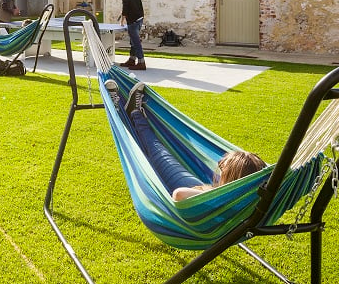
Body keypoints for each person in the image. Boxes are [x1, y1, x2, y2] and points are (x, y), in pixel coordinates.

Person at [104, 80, 265, 201]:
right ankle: (132, 113)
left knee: (151, 155)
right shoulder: (252, 197)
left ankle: (123, 115)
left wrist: (209, 193)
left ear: (234, 179)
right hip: (200, 187)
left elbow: (179, 194)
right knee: (157, 151)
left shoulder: (220, 200)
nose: (219, 165)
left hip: (193, 197)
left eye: (224, 168)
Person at [119, 0, 146, 71]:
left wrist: (122, 20)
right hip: (139, 19)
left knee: (136, 42)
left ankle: (141, 62)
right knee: (133, 41)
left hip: (133, 21)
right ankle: (132, 59)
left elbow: (125, 8)